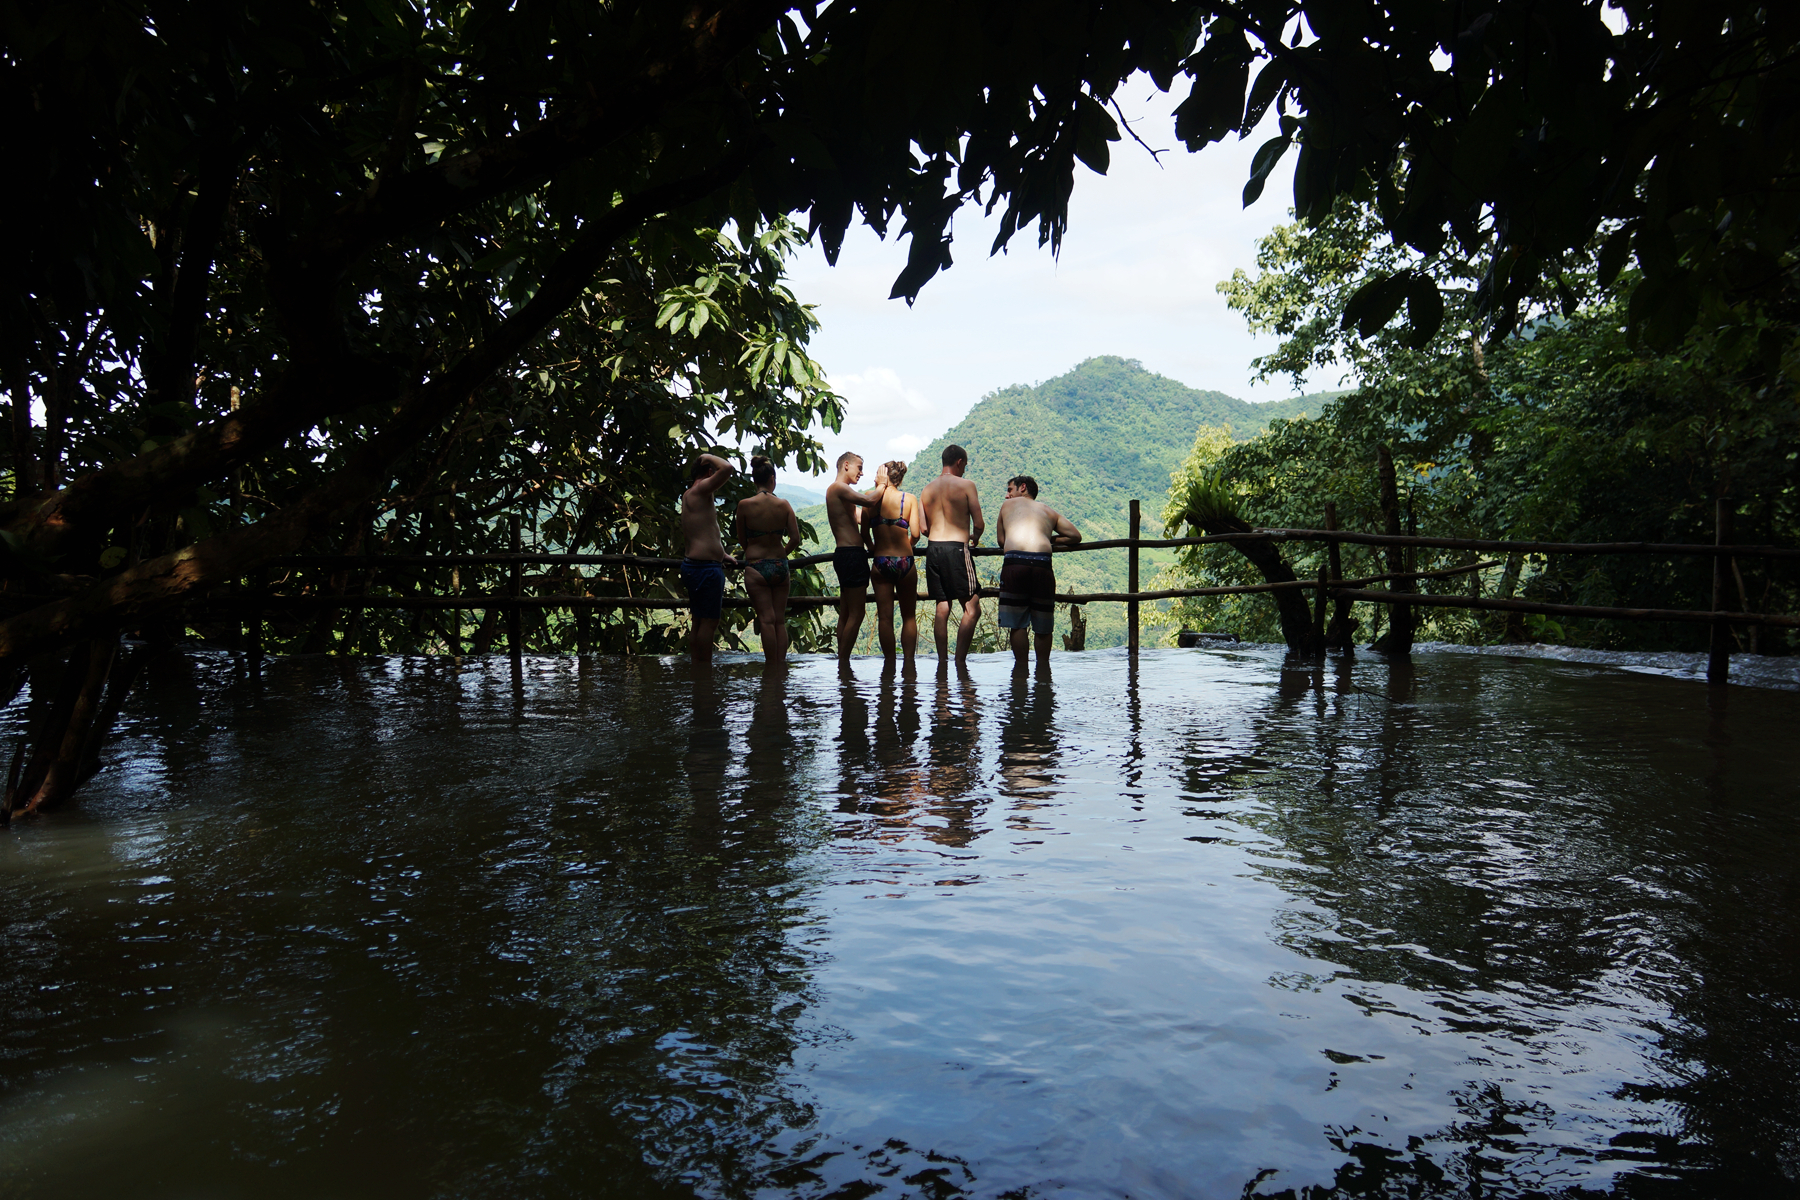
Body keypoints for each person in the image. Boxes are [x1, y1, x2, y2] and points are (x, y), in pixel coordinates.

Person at [993, 473, 1080, 669]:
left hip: (1015, 563)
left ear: (1022, 487)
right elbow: (1075, 536)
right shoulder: (1048, 511)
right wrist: (1046, 536)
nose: (1007, 496)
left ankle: (1021, 670)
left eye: (1009, 490)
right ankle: (1043, 670)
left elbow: (1001, 541)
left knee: (1017, 624)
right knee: (1042, 625)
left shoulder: (1007, 506)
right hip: (1042, 564)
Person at [919, 443, 985, 665]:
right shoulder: (967, 485)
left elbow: (924, 529)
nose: (965, 469)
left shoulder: (927, 490)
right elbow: (979, 523)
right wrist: (975, 537)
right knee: (972, 608)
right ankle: (959, 661)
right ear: (959, 462)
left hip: (933, 549)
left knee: (942, 605)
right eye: (964, 465)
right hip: (956, 549)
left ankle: (942, 661)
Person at [735, 455, 801, 667]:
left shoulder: (744, 505)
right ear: (773, 479)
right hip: (780, 566)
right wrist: (782, 552)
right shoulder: (784, 504)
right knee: (779, 620)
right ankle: (781, 666)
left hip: (756, 566)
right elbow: (795, 538)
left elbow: (742, 540)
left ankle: (771, 667)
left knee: (766, 619)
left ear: (754, 480)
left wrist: (754, 552)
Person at [823, 451, 889, 662]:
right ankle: (844, 662)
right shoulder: (838, 488)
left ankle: (842, 661)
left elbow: (861, 516)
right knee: (857, 613)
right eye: (859, 468)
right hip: (852, 554)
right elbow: (868, 501)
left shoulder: (840, 493)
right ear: (846, 465)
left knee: (845, 612)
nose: (861, 473)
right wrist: (882, 485)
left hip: (845, 554)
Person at [863, 459, 927, 669]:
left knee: (885, 618)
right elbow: (916, 534)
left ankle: (889, 664)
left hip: (881, 561)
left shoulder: (870, 501)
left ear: (883, 476)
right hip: (905, 562)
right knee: (909, 616)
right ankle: (909, 664)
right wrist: (906, 546)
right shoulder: (908, 499)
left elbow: (865, 534)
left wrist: (874, 547)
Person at [679, 452, 737, 664]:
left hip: (694, 565)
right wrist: (706, 455)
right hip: (705, 568)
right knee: (709, 623)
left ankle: (697, 666)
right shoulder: (702, 489)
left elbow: (702, 530)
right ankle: (704, 671)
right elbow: (728, 468)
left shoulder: (689, 494)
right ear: (709, 472)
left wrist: (721, 555)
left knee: (698, 621)